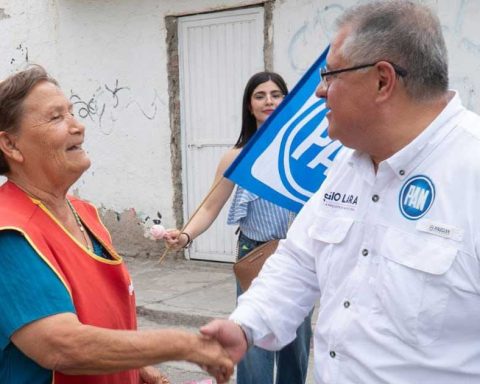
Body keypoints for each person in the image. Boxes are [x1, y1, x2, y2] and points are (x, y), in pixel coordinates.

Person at [200, 1, 480, 383]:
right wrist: (246, 325)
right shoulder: (346, 167)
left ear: (383, 81)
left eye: (329, 76)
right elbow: (297, 262)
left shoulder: (471, 170)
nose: (318, 92)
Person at [0, 65, 233, 384]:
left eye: (72, 112)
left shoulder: (86, 215)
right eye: (56, 117)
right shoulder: (9, 230)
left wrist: (137, 369)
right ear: (10, 146)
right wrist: (184, 344)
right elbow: (62, 346)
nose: (78, 126)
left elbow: (103, 318)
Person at [165, 72, 312, 384]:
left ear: (287, 101)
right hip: (255, 256)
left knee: (295, 346)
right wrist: (186, 234)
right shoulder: (237, 156)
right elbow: (209, 205)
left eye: (276, 94)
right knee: (254, 344)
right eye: (260, 95)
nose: (269, 101)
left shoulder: (301, 153)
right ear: (249, 105)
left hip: (297, 258)